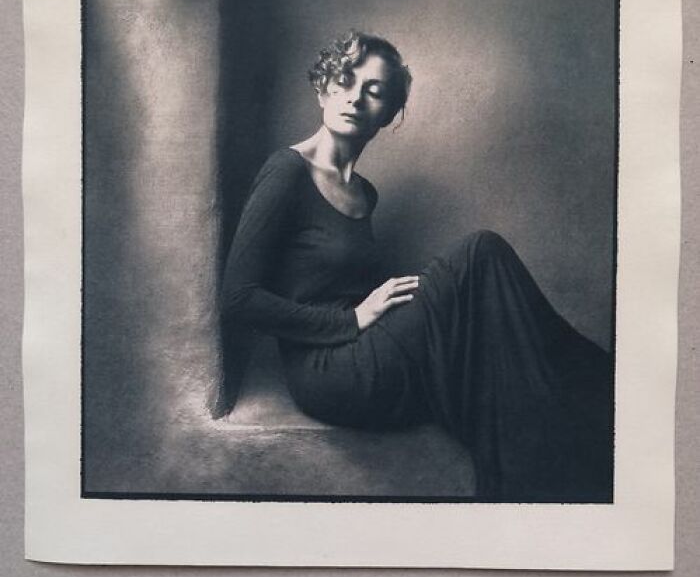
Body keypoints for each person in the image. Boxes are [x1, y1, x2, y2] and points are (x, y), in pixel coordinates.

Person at [221, 31, 614, 503]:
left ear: (387, 114)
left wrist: (383, 310)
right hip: (326, 372)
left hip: (364, 347)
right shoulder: (287, 172)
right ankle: (602, 385)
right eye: (345, 81)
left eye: (374, 90)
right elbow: (238, 299)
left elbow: (346, 284)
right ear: (324, 89)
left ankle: (587, 398)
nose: (355, 97)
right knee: (481, 253)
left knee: (481, 313)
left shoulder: (364, 193)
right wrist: (351, 319)